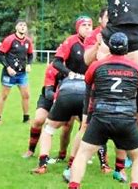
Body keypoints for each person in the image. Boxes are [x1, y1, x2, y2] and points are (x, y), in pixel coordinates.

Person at [68, 33, 138, 189]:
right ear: (127, 48)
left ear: (109, 47)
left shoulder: (97, 65)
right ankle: (134, 186)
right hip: (125, 118)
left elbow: (88, 82)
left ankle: (74, 185)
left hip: (101, 117)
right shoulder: (136, 68)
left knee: (83, 154)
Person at [31, 16, 93, 174]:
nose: (87, 27)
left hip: (87, 90)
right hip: (70, 89)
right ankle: (51, 161)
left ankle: (93, 162)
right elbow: (57, 62)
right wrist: (70, 73)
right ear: (77, 27)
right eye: (83, 25)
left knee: (85, 126)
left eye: (89, 25)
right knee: (73, 126)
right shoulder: (71, 42)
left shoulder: (96, 43)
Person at [21, 63, 73, 162]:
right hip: (50, 98)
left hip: (68, 99)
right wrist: (60, 96)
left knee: (67, 126)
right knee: (38, 120)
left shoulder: (77, 67)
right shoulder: (53, 67)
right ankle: (31, 150)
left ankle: (62, 154)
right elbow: (48, 93)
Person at [0, 19, 34, 124]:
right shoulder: (9, 39)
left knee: (26, 95)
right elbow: (0, 54)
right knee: (4, 96)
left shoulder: (28, 41)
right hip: (9, 74)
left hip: (22, 74)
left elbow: (30, 54)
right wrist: (8, 67)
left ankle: (26, 118)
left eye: (24, 26)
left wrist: (29, 64)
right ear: (16, 27)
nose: (23, 27)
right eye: (20, 25)